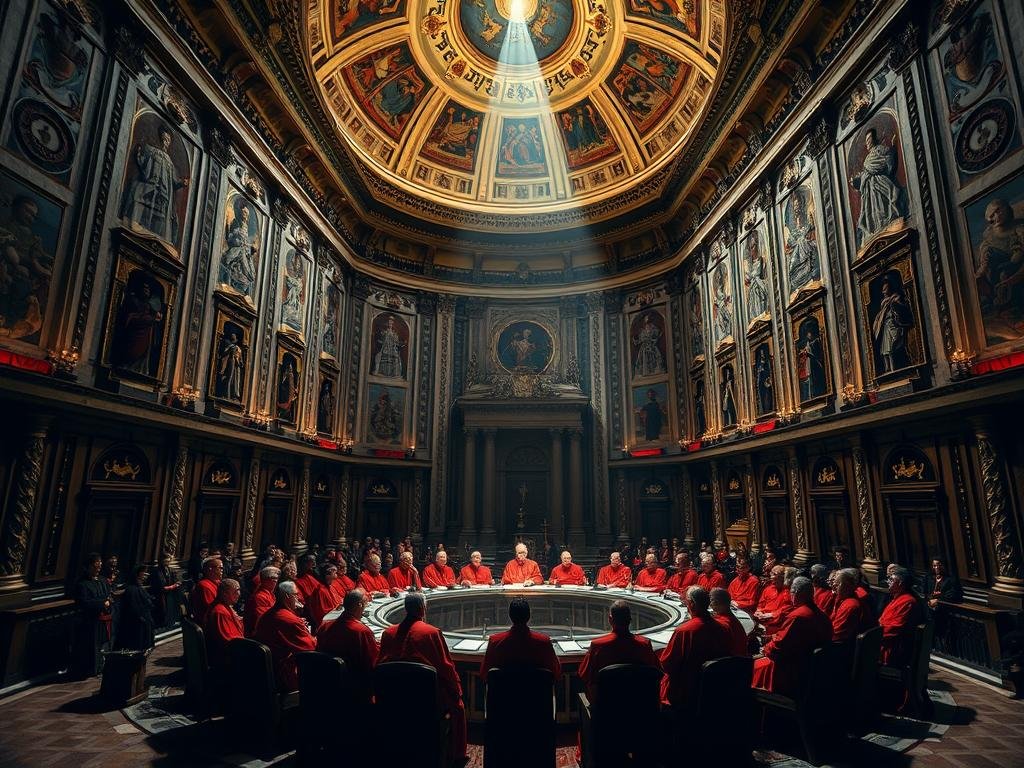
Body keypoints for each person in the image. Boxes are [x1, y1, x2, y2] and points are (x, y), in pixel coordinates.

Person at [378, 593, 467, 764]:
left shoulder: (388, 633)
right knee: (458, 706)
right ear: (423, 609)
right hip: (427, 700)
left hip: (394, 698)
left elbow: (379, 664)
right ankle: (455, 756)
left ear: (405, 609)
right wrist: (457, 691)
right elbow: (445, 667)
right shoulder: (431, 633)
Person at [751, 577, 832, 696]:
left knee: (752, 666)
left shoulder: (797, 616)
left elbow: (779, 646)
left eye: (791, 593)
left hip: (790, 668)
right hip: (811, 667)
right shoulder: (823, 615)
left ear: (797, 593)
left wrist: (764, 649)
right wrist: (772, 637)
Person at [578, 600, 661, 703]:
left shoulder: (598, 646)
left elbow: (584, 675)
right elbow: (658, 672)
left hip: (606, 710)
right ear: (630, 620)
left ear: (610, 619)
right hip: (639, 708)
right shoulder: (644, 645)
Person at [659, 587, 727, 710]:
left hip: (684, 690)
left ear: (691, 604)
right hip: (711, 688)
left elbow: (666, 663)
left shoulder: (685, 630)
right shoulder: (722, 627)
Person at [316, 589, 378, 709]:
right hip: (356, 687)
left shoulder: (325, 626)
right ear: (359, 605)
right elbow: (372, 663)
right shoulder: (361, 631)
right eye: (365, 603)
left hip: (329, 684)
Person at [252, 581, 317, 692]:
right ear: (287, 596)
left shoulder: (270, 613)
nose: (299, 598)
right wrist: (315, 637)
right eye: (296, 595)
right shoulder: (287, 619)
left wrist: (297, 618)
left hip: (267, 667)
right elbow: (310, 646)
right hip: (284, 671)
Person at [480, 597, 561, 683]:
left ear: (510, 615)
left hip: (504, 696)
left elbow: (484, 674)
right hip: (536, 696)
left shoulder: (494, 642)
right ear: (529, 616)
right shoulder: (544, 642)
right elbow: (557, 673)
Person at [879, 566, 922, 667]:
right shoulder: (896, 598)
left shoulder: (908, 601)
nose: (887, 581)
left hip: (893, 649)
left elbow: (894, 629)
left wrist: (874, 635)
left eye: (891, 579)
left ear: (900, 583)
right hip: (883, 641)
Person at [204, 578, 243, 671]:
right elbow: (229, 642)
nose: (239, 594)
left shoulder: (223, 605)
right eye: (235, 591)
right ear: (224, 594)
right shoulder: (220, 612)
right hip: (227, 659)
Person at [115, 565, 155, 652]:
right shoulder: (132, 589)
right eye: (144, 573)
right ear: (138, 574)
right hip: (137, 626)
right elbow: (134, 608)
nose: (146, 575)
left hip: (144, 623)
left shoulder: (139, 588)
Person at [753, 565, 792, 636]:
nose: (771, 576)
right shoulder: (768, 589)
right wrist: (759, 611)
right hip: (762, 620)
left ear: (783, 577)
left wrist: (770, 615)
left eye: (774, 574)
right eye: (771, 573)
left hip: (776, 626)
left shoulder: (788, 593)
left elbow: (786, 611)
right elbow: (760, 604)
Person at [710, 587, 748, 657]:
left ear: (717, 602)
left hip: (729, 662)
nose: (710, 603)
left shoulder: (722, 623)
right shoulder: (731, 618)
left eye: (711, 600)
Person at [148, 552, 180, 630]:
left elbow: (176, 580)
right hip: (160, 595)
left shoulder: (170, 569)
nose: (167, 563)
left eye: (168, 561)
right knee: (161, 611)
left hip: (169, 594)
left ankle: (168, 624)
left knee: (169, 610)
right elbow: (159, 586)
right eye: (165, 561)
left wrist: (177, 583)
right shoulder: (156, 571)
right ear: (161, 561)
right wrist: (172, 586)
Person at [831, 568, 864, 644]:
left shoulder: (850, 605)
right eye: (834, 582)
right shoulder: (842, 599)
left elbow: (837, 634)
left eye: (838, 583)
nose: (834, 585)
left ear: (848, 586)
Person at [245, 565, 280, 636]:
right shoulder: (260, 597)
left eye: (276, 578)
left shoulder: (269, 594)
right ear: (265, 580)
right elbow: (264, 620)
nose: (276, 581)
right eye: (273, 578)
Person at [306, 563, 342, 631]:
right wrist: (337, 608)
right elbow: (323, 614)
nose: (336, 573)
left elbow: (338, 601)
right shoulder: (320, 591)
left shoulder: (331, 586)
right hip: (328, 625)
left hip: (337, 616)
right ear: (327, 575)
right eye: (334, 571)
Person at [190, 556, 223, 626]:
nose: (222, 570)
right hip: (211, 623)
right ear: (210, 569)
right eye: (220, 567)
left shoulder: (218, 582)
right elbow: (211, 610)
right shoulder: (204, 586)